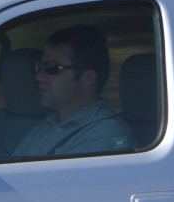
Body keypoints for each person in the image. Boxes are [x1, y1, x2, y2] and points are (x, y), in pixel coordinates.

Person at [11, 24, 135, 158]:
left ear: (87, 78)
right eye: (39, 67)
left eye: (52, 68)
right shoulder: (44, 128)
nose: (38, 76)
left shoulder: (106, 134)